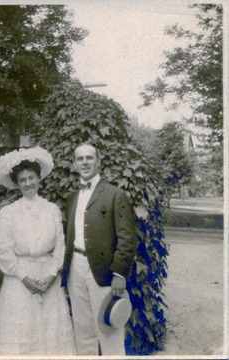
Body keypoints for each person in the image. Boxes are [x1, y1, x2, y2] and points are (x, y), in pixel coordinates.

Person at [0, 146, 76, 356]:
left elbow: (60, 247)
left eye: (31, 178)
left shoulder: (52, 210)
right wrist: (24, 277)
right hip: (19, 280)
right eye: (23, 180)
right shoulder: (8, 213)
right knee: (22, 334)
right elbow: (4, 252)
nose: (28, 183)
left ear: (39, 179)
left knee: (50, 334)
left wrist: (51, 274)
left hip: (48, 279)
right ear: (17, 184)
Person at [61, 143, 137, 356]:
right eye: (80, 159)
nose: (85, 162)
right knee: (83, 328)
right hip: (75, 268)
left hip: (103, 270)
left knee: (109, 328)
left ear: (98, 161)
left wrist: (119, 273)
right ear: (74, 164)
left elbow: (127, 238)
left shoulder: (115, 194)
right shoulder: (72, 198)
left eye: (89, 158)